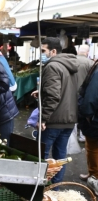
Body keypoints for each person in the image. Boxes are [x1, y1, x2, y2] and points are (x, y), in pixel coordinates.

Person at [32, 37, 79, 183]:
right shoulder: (69, 65)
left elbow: (53, 95)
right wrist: (41, 92)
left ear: (53, 51)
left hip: (54, 120)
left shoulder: (52, 66)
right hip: (68, 119)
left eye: (43, 50)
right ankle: (55, 188)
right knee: (60, 157)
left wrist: (44, 118)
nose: (42, 53)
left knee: (41, 156)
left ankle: (40, 190)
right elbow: (65, 89)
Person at [78, 60, 98, 194]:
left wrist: (87, 115)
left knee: (92, 148)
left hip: (95, 119)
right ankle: (92, 174)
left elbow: (91, 96)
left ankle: (94, 175)